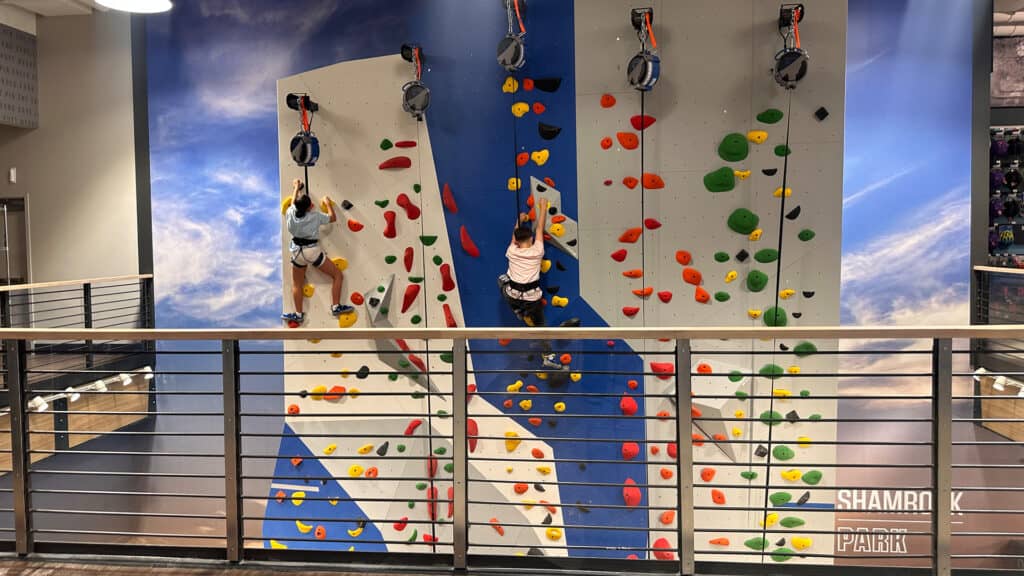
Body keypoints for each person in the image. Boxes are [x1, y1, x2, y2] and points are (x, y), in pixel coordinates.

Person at [282, 178, 353, 324]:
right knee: (337, 275)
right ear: (310, 207)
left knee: (297, 284)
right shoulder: (314, 217)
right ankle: (336, 306)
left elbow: (294, 202)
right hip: (312, 252)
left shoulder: (290, 212)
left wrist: (296, 187)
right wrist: (327, 204)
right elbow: (332, 218)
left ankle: (298, 314)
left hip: (297, 253)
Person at [500, 195, 549, 328]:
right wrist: (543, 208)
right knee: (540, 325)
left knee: (501, 281)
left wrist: (519, 220)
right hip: (532, 299)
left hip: (513, 295)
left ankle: (517, 310)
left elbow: (514, 237)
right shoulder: (537, 251)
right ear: (531, 239)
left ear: (516, 241)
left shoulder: (512, 251)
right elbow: (539, 229)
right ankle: (545, 344)